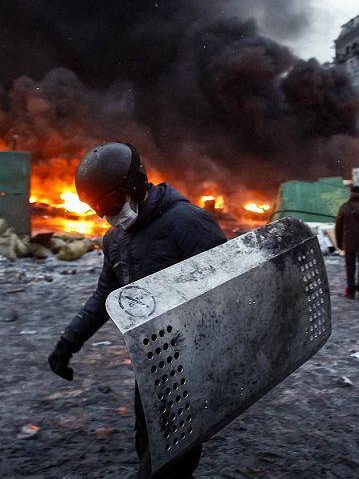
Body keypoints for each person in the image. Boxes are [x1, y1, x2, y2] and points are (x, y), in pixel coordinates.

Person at [47, 142, 226, 479]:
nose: (105, 215)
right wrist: (66, 345)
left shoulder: (187, 223)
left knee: (173, 456)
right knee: (147, 441)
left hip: (191, 363)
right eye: (95, 208)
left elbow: (229, 291)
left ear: (135, 184)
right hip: (150, 363)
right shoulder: (115, 240)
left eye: (109, 203)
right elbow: (104, 297)